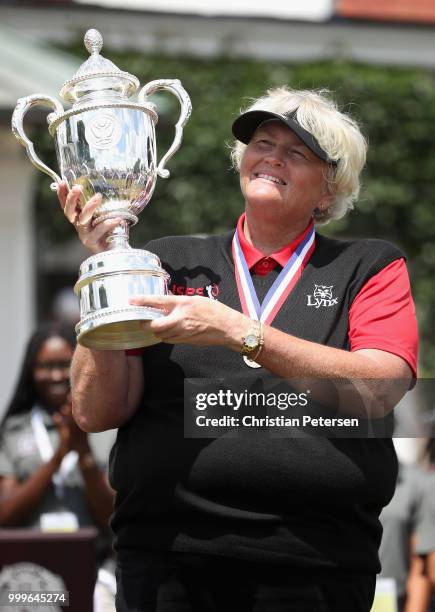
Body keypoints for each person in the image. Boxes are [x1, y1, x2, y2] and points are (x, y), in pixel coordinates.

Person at [58, 87, 419, 612]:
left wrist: (240, 331)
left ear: (329, 188)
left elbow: (379, 387)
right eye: (262, 143)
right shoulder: (167, 261)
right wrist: (105, 271)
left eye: (297, 152)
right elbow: (95, 411)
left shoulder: (368, 266)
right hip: (167, 557)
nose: (272, 157)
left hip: (315, 562)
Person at [0, 323, 114, 560]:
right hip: (30, 568)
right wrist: (58, 457)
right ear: (31, 371)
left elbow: (111, 520)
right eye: (45, 366)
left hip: (93, 566)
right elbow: (5, 514)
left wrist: (83, 452)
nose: (55, 375)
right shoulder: (13, 430)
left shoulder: (106, 425)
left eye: (64, 365)